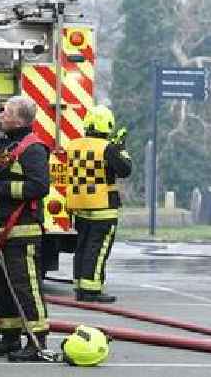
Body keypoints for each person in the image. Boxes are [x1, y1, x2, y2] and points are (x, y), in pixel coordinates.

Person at [0, 96, 50, 362]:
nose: (0, 114)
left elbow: (39, 187)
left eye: (6, 112)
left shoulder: (33, 149)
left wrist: (2, 189)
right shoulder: (8, 144)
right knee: (0, 286)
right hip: (0, 231)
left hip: (22, 231)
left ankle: (37, 341)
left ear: (19, 119)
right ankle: (9, 338)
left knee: (26, 287)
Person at [65, 105, 132, 303]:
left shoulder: (74, 145)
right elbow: (125, 170)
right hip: (103, 208)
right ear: (108, 125)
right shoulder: (108, 148)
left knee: (83, 247)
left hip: (81, 207)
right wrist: (121, 149)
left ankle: (80, 285)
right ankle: (91, 289)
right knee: (99, 249)